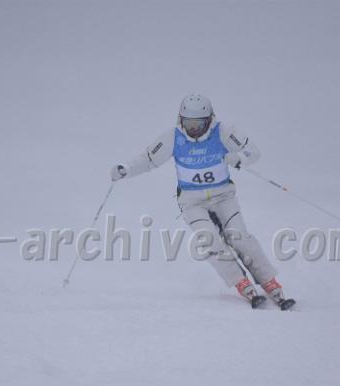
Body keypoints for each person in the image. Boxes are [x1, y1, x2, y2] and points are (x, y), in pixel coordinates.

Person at [110, 93, 295, 310]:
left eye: (199, 124)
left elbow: (253, 152)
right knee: (210, 240)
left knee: (240, 237)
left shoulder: (222, 132)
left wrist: (239, 158)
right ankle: (240, 282)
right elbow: (148, 159)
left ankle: (269, 282)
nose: (194, 129)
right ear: (181, 119)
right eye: (189, 124)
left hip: (223, 196)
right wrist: (126, 169)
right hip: (192, 202)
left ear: (209, 120)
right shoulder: (173, 137)